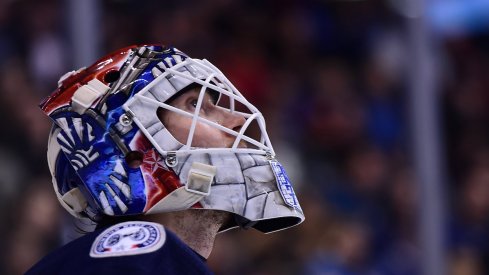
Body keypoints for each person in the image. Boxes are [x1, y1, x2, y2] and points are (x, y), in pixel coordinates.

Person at [26, 44, 305, 274]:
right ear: (132, 155)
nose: (237, 119)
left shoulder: (131, 261)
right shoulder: (138, 260)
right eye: (195, 105)